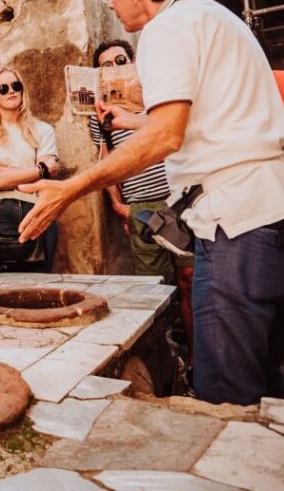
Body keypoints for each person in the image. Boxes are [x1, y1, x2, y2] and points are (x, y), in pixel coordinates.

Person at [19, 0, 284, 406]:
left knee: (225, 394)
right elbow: (208, 117)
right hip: (267, 210)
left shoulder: (167, 29)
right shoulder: (213, 17)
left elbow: (167, 136)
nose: (112, 4)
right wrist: (133, 120)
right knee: (264, 383)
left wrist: (69, 189)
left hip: (236, 224)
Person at [88, 40, 195, 369]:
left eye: (121, 60)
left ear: (132, 63)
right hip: (141, 207)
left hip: (178, 201)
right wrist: (119, 206)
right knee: (154, 289)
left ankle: (197, 356)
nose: (115, 67)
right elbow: (105, 160)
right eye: (106, 65)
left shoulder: (158, 98)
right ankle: (166, 364)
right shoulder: (101, 114)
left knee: (190, 278)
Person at [0, 67, 60, 272]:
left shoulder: (43, 130)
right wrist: (39, 168)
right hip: (2, 217)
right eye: (3, 88)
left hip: (39, 212)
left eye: (16, 86)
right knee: (5, 291)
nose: (11, 91)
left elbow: (47, 177)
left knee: (41, 288)